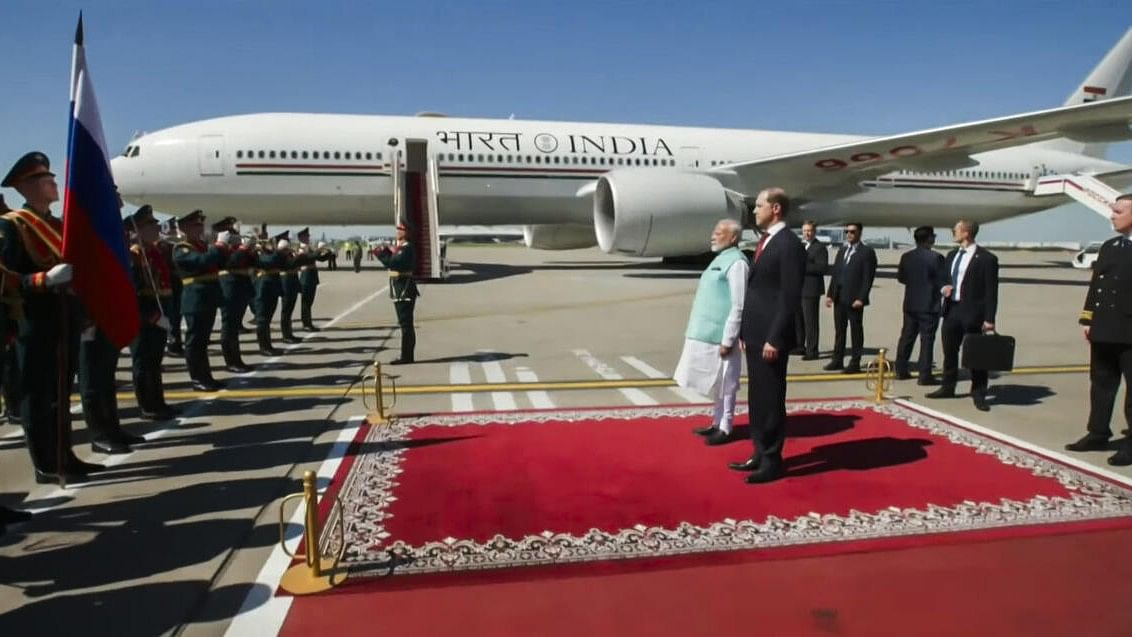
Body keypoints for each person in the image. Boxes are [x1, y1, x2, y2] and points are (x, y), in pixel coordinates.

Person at [0, 151, 103, 482]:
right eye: (46, 180)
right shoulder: (12, 226)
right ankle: (46, 464)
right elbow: (7, 276)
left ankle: (65, 456)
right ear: (25, 186)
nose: (54, 184)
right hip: (35, 320)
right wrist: (42, 280)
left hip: (63, 318)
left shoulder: (58, 226)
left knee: (60, 394)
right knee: (38, 395)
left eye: (52, 178)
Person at [730, 187, 805, 484]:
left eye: (759, 205)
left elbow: (788, 297)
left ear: (775, 209)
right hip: (756, 333)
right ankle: (759, 451)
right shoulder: (767, 241)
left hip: (771, 337)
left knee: (772, 398)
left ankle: (772, 459)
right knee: (758, 397)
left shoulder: (788, 244)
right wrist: (746, 331)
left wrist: (775, 337)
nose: (754, 210)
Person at [1066, 194, 1132, 464]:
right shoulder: (1110, 246)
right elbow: (1097, 286)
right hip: (1105, 328)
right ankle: (1098, 432)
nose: (1112, 215)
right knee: (1101, 383)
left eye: (1118, 210)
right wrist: (1089, 320)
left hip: (1130, 330)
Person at [675, 219, 749, 446]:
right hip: (705, 333)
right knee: (715, 382)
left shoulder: (737, 263)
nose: (713, 236)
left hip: (722, 336)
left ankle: (726, 426)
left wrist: (729, 338)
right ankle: (716, 421)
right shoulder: (720, 259)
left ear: (733, 237)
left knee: (727, 382)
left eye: (719, 233)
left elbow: (739, 304)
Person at [927, 219, 999, 411]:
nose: (953, 232)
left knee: (976, 355)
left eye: (956, 230)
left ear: (966, 233)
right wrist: (943, 287)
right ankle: (948, 387)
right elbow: (942, 278)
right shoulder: (951, 255)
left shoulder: (986, 258)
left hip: (973, 313)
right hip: (952, 310)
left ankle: (979, 393)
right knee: (949, 352)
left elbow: (991, 291)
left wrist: (989, 319)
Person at [127, 205, 177, 420]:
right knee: (143, 361)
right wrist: (153, 317)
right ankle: (147, 405)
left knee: (155, 361)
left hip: (159, 310)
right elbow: (134, 291)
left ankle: (158, 401)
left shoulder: (154, 251)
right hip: (145, 315)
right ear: (138, 229)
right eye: (151, 224)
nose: (157, 227)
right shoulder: (135, 254)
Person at [173, 209, 225, 391]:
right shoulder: (182, 249)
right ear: (184, 228)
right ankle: (197, 379)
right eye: (196, 224)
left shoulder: (201, 246)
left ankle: (206, 377)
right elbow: (201, 262)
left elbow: (218, 262)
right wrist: (218, 246)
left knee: (202, 341)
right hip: (194, 299)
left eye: (201, 224)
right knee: (195, 341)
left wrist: (225, 248)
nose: (200, 227)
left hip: (207, 298)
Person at [894, 226, 946, 384]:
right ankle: (925, 375)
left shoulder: (906, 256)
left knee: (907, 337)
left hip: (911, 303)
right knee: (927, 340)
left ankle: (901, 370)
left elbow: (901, 278)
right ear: (929, 239)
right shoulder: (936, 258)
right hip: (929, 305)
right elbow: (942, 281)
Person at [824, 222, 877, 373]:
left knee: (855, 331)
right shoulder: (842, 251)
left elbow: (868, 278)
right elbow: (836, 274)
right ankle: (837, 359)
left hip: (854, 299)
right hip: (839, 297)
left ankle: (855, 362)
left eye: (852, 232)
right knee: (839, 330)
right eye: (847, 231)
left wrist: (862, 297)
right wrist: (830, 295)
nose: (849, 234)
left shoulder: (866, 252)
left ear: (860, 233)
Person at [215, 216, 254, 373]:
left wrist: (249, 249)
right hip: (229, 286)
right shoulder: (219, 248)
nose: (233, 233)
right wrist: (243, 249)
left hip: (240, 285)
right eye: (230, 231)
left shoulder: (233, 248)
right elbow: (230, 263)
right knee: (229, 326)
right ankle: (231, 361)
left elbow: (252, 261)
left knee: (234, 326)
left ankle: (237, 360)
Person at [377, 223, 419, 364]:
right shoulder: (402, 248)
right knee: (405, 324)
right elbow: (394, 259)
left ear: (406, 232)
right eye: (398, 229)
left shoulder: (407, 248)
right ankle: (407, 355)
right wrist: (387, 251)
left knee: (406, 325)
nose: (397, 231)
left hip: (404, 289)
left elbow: (393, 262)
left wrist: (381, 253)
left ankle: (406, 356)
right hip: (400, 288)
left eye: (400, 229)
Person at [794, 220, 827, 360]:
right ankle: (800, 346)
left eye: (809, 231)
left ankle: (812, 350)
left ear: (814, 232)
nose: (807, 233)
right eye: (805, 231)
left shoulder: (819, 248)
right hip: (799, 289)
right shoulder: (801, 246)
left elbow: (821, 267)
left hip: (811, 290)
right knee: (798, 320)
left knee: (810, 322)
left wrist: (802, 266)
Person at [254, 232, 288, 355]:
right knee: (262, 319)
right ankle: (264, 347)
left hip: (271, 288)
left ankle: (268, 345)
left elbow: (282, 262)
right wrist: (276, 251)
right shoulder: (256, 252)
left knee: (267, 319)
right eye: (263, 239)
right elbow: (268, 262)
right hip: (262, 288)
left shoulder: (269, 252)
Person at [296, 228, 331, 331]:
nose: (308, 238)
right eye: (307, 236)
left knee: (309, 302)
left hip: (311, 276)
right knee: (306, 302)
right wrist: (319, 250)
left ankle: (308, 322)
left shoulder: (308, 247)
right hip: (306, 276)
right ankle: (306, 324)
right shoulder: (301, 248)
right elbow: (311, 257)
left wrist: (328, 253)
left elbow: (319, 258)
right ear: (301, 238)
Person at [159, 218, 185, 356]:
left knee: (176, 316)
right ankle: (172, 345)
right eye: (174, 229)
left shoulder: (174, 246)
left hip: (175, 284)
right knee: (170, 317)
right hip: (168, 285)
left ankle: (176, 343)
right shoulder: (162, 247)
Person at [278, 231, 302, 344]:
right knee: (286, 311)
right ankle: (286, 335)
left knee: (289, 311)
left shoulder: (288, 255)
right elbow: (291, 264)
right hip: (286, 284)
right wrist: (298, 256)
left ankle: (289, 333)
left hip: (292, 283)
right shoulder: (281, 256)